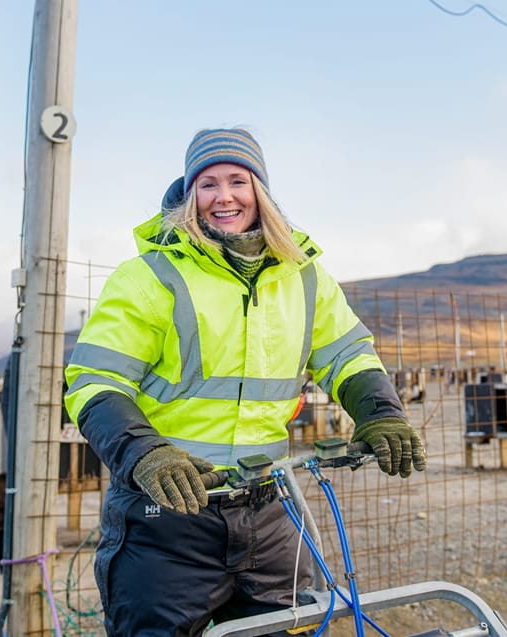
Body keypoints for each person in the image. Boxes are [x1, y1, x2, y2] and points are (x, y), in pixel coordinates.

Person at [63, 127, 426, 636]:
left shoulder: (304, 277)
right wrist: (147, 454)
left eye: (238, 180)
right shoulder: (149, 276)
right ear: (190, 195)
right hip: (166, 519)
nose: (224, 196)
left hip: (269, 513)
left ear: (261, 191)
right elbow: (94, 381)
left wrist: (381, 413)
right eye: (208, 184)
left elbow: (347, 355)